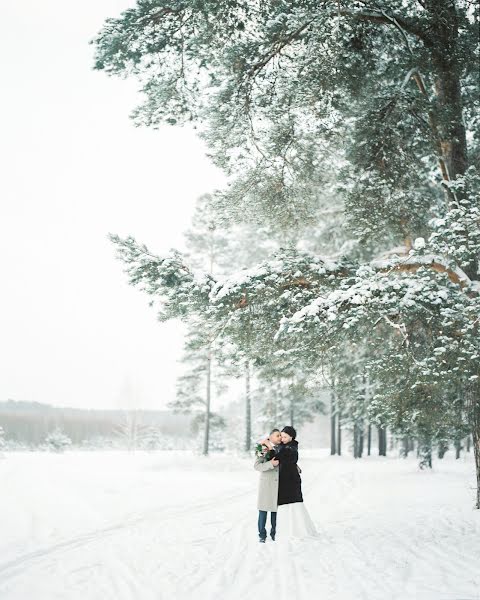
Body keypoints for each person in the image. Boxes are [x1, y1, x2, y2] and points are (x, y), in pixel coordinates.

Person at [266, 425, 318, 539]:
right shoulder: (285, 446)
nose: (282, 439)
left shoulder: (291, 448)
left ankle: (298, 531)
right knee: (286, 507)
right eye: (281, 436)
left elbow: (278, 457)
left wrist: (269, 447)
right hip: (285, 482)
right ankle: (285, 531)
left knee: (294, 506)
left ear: (291, 437)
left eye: (284, 437)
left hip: (291, 482)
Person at [253, 428, 281, 543]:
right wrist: (271, 463)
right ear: (270, 437)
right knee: (263, 511)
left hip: (279, 485)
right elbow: (257, 466)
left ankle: (275, 533)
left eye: (280, 435)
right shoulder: (262, 448)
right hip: (267, 484)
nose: (279, 437)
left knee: (276, 512)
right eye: (277, 435)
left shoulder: (283, 448)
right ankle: (262, 535)